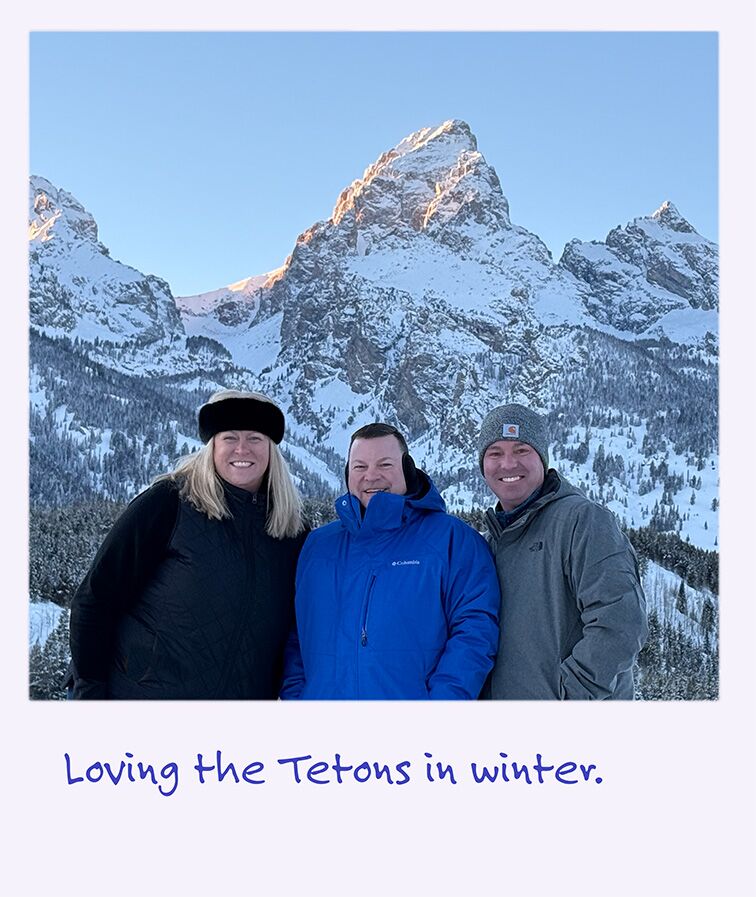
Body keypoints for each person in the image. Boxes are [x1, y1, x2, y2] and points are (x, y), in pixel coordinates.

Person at [67, 389, 307, 699]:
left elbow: (294, 633)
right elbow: (95, 599)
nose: (242, 449)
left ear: (272, 449)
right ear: (212, 446)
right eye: (229, 437)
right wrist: (90, 691)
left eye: (255, 438)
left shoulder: (292, 532)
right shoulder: (169, 503)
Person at [281, 423, 500, 700]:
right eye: (360, 467)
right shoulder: (318, 545)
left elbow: (474, 632)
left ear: (407, 469)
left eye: (384, 464)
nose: (371, 476)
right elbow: (296, 637)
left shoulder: (453, 540)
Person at [477, 403, 648, 700]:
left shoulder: (582, 521)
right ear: (483, 465)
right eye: (495, 453)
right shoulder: (490, 543)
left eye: (521, 450)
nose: (507, 464)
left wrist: (568, 697)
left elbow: (621, 623)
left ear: (542, 459)